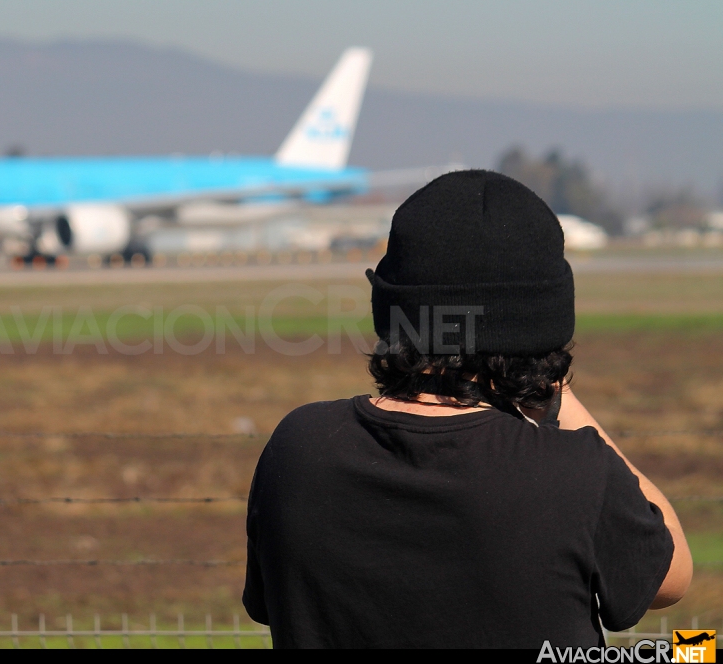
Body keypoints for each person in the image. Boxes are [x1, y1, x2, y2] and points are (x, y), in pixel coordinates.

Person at [242, 170, 691, 649]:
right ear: (546, 324)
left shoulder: (300, 447)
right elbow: (671, 577)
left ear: (390, 311)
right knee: (694, 650)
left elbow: (268, 605)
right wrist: (552, 387)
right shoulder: (572, 469)